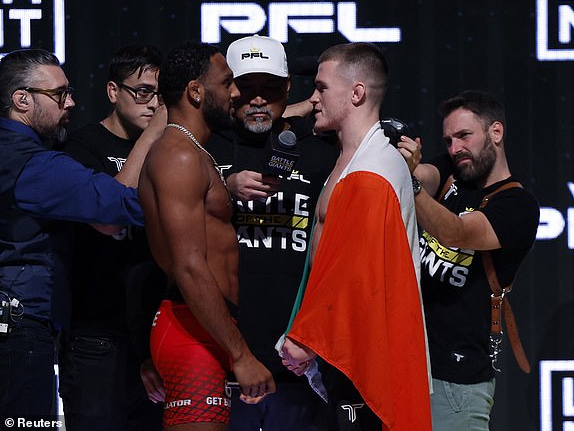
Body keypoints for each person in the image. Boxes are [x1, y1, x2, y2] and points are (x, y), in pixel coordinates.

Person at [0, 49, 163, 419]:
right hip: (21, 330)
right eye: (59, 94)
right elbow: (123, 204)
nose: (71, 102)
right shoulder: (33, 164)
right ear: (22, 99)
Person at [281, 43, 432, 430]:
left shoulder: (373, 172)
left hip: (363, 355)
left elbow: (355, 274)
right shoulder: (350, 161)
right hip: (343, 351)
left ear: (356, 92)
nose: (313, 98)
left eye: (321, 87)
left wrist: (307, 337)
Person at [138, 41, 276, 430]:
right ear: (196, 91)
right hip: (190, 328)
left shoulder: (193, 151)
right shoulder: (178, 155)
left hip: (204, 325)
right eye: (227, 82)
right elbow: (189, 265)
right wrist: (241, 355)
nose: (236, 93)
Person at [205, 35, 337, 430]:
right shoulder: (204, 149)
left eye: (270, 88)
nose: (257, 99)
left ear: (288, 89)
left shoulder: (322, 152)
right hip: (220, 358)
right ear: (228, 88)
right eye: (246, 87)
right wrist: (221, 188)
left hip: (297, 359)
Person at [398, 90, 540, 430]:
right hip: (408, 363)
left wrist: (410, 182)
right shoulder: (453, 170)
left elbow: (458, 233)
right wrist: (403, 165)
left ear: (496, 132)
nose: (454, 148)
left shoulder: (518, 206)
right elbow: (428, 175)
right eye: (448, 139)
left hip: (456, 381)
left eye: (464, 136)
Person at [57, 44, 165, 430]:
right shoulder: (80, 147)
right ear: (112, 92)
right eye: (142, 91)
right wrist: (152, 137)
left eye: (160, 94)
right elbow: (107, 214)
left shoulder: (172, 150)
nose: (153, 104)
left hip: (155, 337)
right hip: (96, 336)